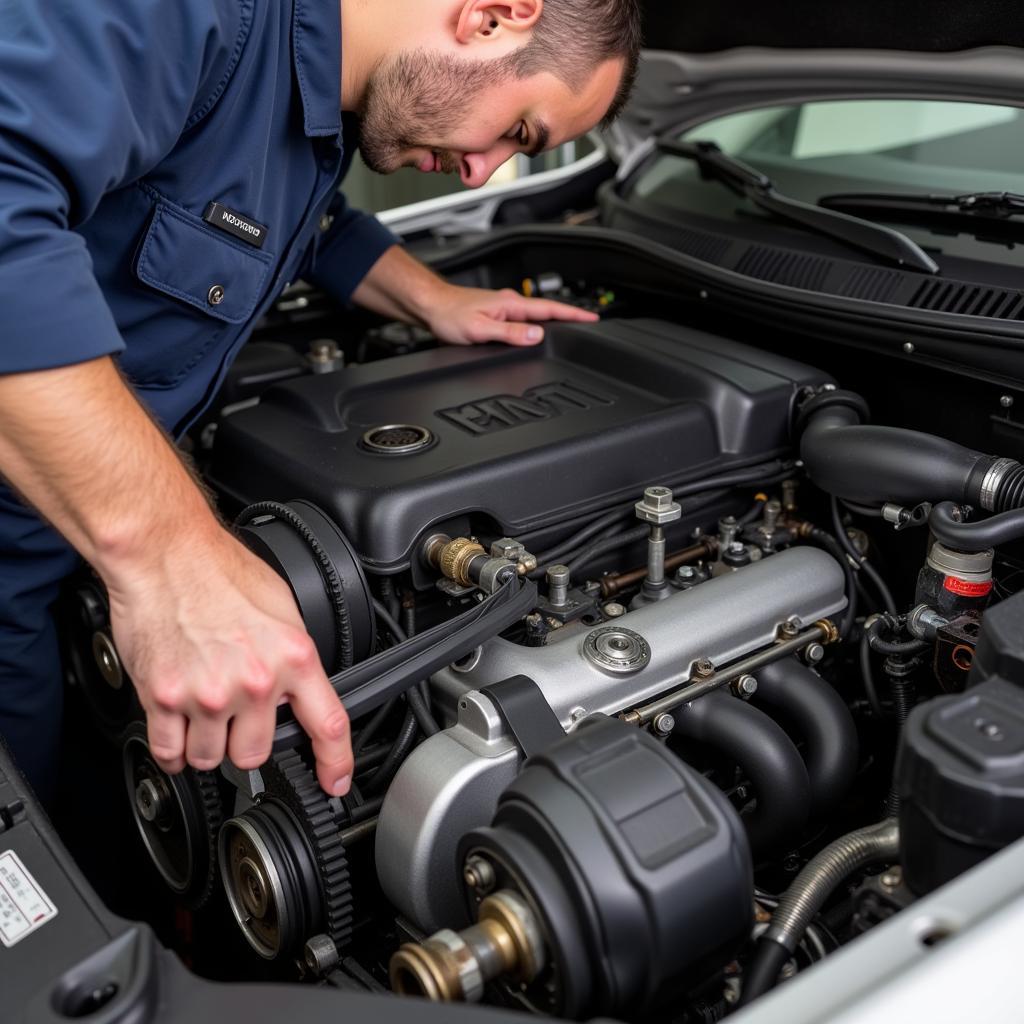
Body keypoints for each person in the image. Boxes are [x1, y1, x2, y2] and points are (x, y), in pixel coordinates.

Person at [0, 0, 643, 803]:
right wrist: (174, 559)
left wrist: (432, 299)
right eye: (520, 132)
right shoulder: (183, 17)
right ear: (494, 17)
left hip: (70, 516)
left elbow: (303, 221)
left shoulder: (329, 106)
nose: (485, 172)